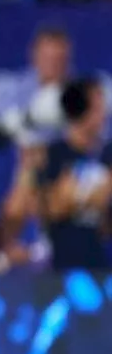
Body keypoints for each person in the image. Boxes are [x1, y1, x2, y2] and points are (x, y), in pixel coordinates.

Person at [39, 78, 113, 270]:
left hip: (103, 260)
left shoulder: (108, 154)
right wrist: (94, 194)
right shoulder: (56, 154)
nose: (104, 115)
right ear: (82, 111)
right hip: (66, 262)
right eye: (98, 108)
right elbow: (55, 208)